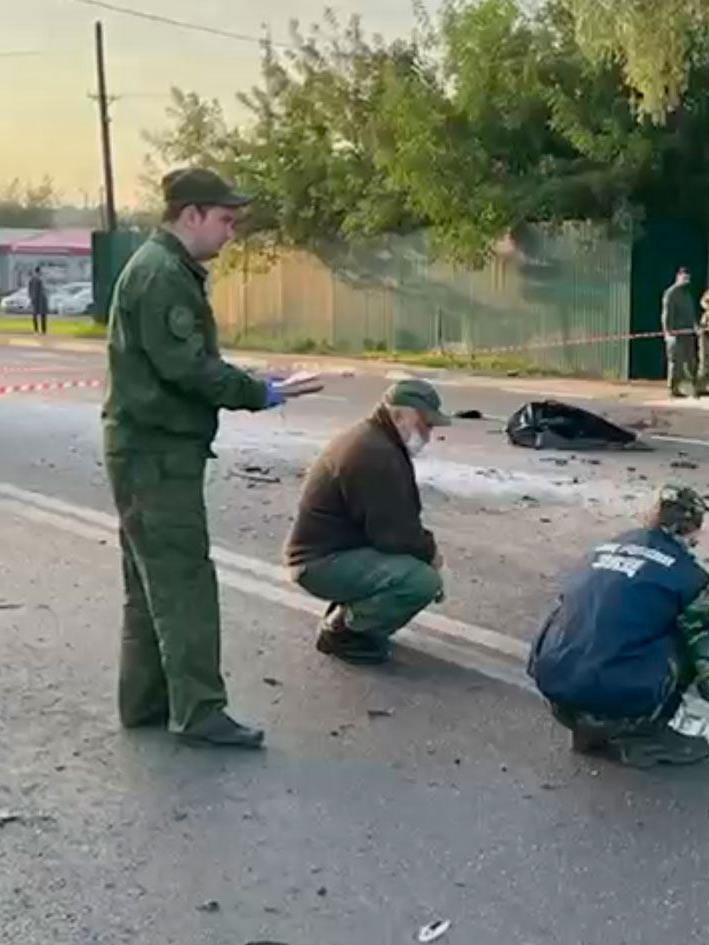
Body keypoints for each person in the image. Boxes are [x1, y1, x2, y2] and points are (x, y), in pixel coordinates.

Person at [103, 166, 319, 748]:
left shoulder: (162, 268)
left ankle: (144, 702)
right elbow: (188, 367)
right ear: (190, 215)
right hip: (157, 453)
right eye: (224, 220)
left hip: (147, 448)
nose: (230, 232)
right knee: (183, 581)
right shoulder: (162, 275)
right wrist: (261, 392)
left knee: (150, 582)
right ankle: (199, 711)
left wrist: (257, 383)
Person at [527, 484, 709, 767]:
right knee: (690, 635)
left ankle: (588, 730)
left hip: (556, 692)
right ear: (693, 531)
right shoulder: (690, 579)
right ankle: (644, 735)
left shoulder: (597, 552)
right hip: (618, 700)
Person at [285, 379, 450, 665]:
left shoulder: (376, 439)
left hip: (332, 552)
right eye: (425, 424)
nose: (428, 434)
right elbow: (396, 535)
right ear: (399, 415)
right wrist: (434, 557)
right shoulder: (375, 453)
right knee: (420, 581)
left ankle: (351, 613)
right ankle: (344, 633)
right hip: (320, 562)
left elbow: (394, 522)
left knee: (414, 564)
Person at [662, 268, 709, 398]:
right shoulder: (671, 293)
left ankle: (695, 387)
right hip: (675, 333)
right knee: (676, 362)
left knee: (691, 361)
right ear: (678, 277)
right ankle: (673, 388)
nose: (686, 282)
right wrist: (668, 332)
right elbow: (666, 314)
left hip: (688, 333)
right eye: (684, 279)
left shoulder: (687, 294)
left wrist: (696, 327)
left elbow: (691, 314)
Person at [29, 266, 49, 335]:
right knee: (36, 315)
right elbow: (30, 290)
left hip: (40, 299)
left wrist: (31, 297)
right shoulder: (34, 280)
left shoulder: (40, 279)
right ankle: (37, 330)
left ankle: (42, 331)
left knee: (42, 315)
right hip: (37, 299)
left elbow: (30, 290)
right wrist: (31, 297)